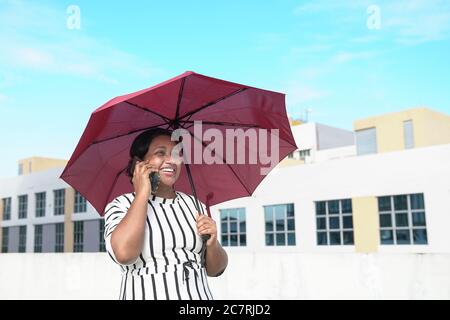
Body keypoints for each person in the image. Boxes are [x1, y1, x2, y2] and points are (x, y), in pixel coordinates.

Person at [103, 128, 228, 300]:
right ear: (139, 163)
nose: (171, 160)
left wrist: (213, 242)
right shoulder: (121, 205)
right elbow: (124, 254)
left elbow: (216, 270)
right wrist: (142, 194)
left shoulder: (195, 205)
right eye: (160, 153)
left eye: (177, 154)